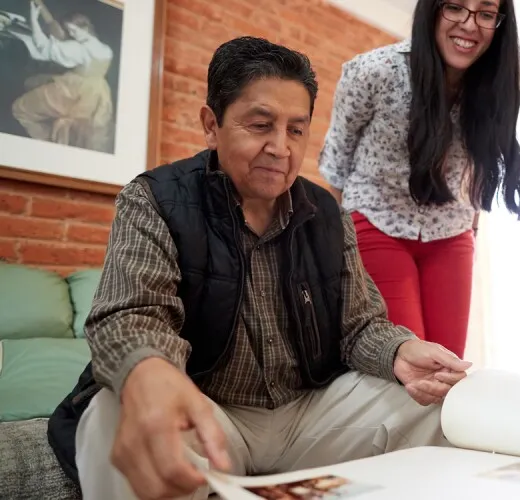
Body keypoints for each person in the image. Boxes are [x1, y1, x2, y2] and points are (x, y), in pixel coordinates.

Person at [46, 36, 472, 500]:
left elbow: (359, 325)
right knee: (113, 412)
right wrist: (147, 371)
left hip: (307, 413)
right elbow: (130, 315)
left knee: (439, 405)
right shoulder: (155, 199)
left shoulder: (328, 215)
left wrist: (399, 351)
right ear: (212, 125)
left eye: (295, 130)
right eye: (260, 124)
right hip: (210, 414)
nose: (280, 148)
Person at [318, 0, 520, 359]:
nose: (469, 24)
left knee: (448, 366)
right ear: (432, 10)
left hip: (450, 232)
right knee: (411, 367)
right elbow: (336, 163)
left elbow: (481, 166)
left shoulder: (496, 85)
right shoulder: (375, 72)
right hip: (375, 223)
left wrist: (471, 232)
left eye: (486, 13)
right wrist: (342, 248)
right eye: (455, 7)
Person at [10, 1, 114, 153]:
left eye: (73, 30)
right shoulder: (105, 49)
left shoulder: (78, 49)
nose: (72, 34)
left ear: (84, 27)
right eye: (69, 31)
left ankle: (46, 143)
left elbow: (44, 48)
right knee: (34, 84)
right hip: (97, 92)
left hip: (72, 91)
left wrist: (33, 19)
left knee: (20, 108)